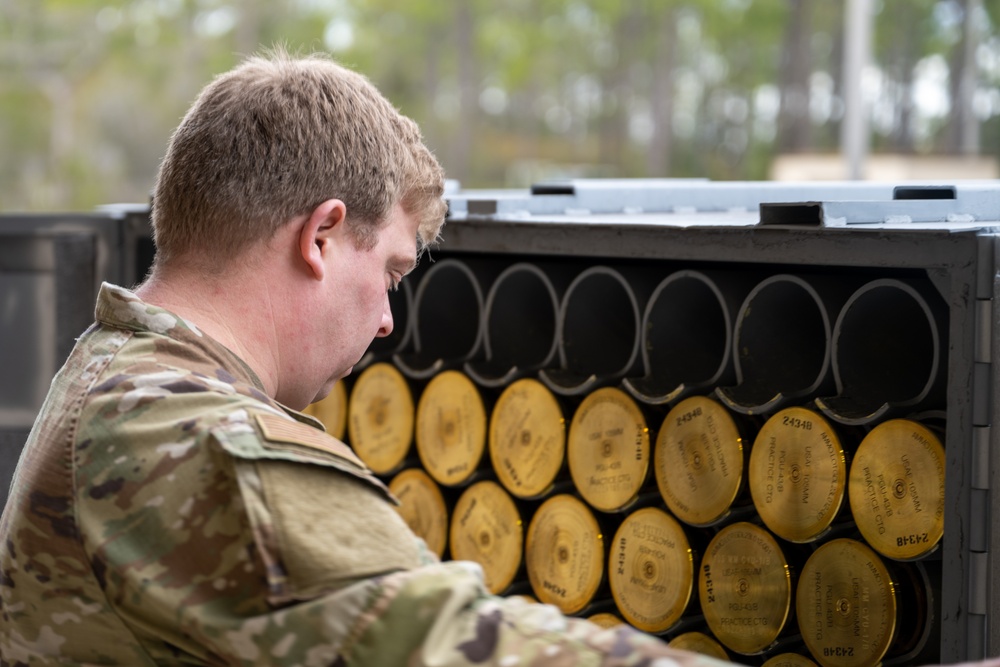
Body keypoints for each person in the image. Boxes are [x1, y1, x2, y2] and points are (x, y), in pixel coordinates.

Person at [0, 49, 997, 667]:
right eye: (386, 270)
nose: (388, 320)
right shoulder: (197, 444)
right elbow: (462, 651)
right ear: (320, 235)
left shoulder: (113, 372)